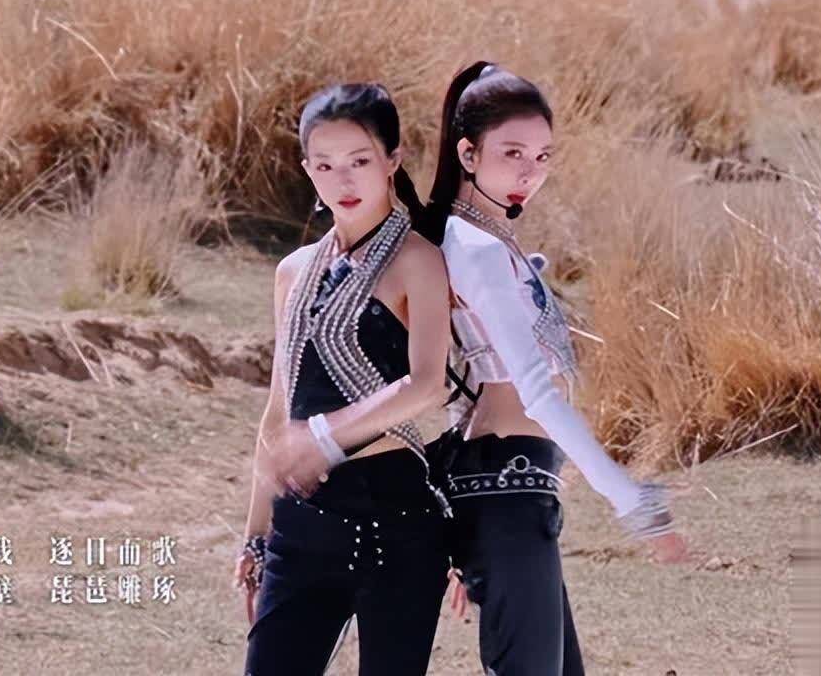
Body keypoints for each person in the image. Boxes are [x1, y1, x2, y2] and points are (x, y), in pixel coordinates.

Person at [392, 61, 690, 676]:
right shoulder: (474, 246)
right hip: (508, 490)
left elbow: (469, 387)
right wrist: (632, 502)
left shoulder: (488, 243)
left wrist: (459, 521)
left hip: (510, 490)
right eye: (513, 154)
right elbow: (537, 393)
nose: (530, 172)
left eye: (543, 156)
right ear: (468, 154)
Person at [236, 82, 454, 676]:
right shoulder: (293, 271)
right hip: (302, 525)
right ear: (308, 169)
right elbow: (279, 407)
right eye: (326, 165)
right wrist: (256, 533)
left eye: (360, 161)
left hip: (398, 525)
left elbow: (428, 384)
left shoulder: (418, 260)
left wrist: (325, 438)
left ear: (392, 160)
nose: (343, 180)